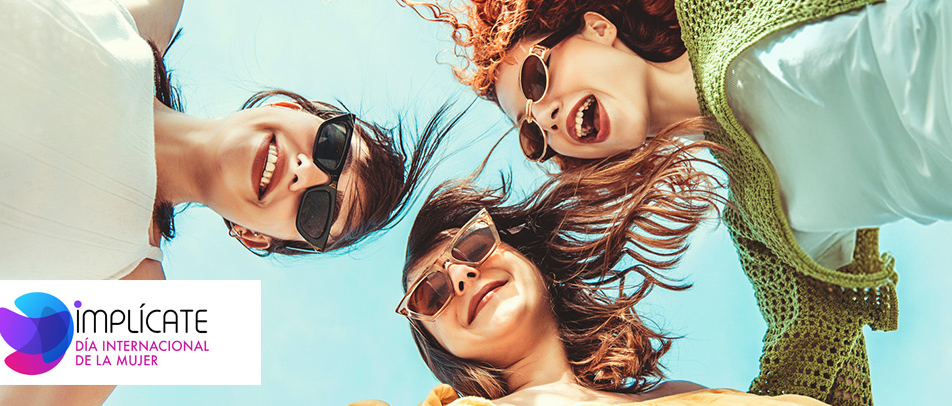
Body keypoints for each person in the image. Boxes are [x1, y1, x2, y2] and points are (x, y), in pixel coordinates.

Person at [400, 0, 952, 404]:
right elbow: (817, 348)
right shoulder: (764, 228)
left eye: (536, 79)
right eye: (532, 134)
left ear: (597, 27)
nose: (542, 117)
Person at [0, 0, 458, 282]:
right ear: (287, 107)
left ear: (255, 236)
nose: (308, 174)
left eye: (317, 213)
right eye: (332, 147)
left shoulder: (134, 293)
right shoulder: (142, 17)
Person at [394, 177, 825, 406]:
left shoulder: (689, 393)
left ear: (528, 261)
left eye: (473, 245)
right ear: (439, 347)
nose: (461, 277)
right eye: (430, 294)